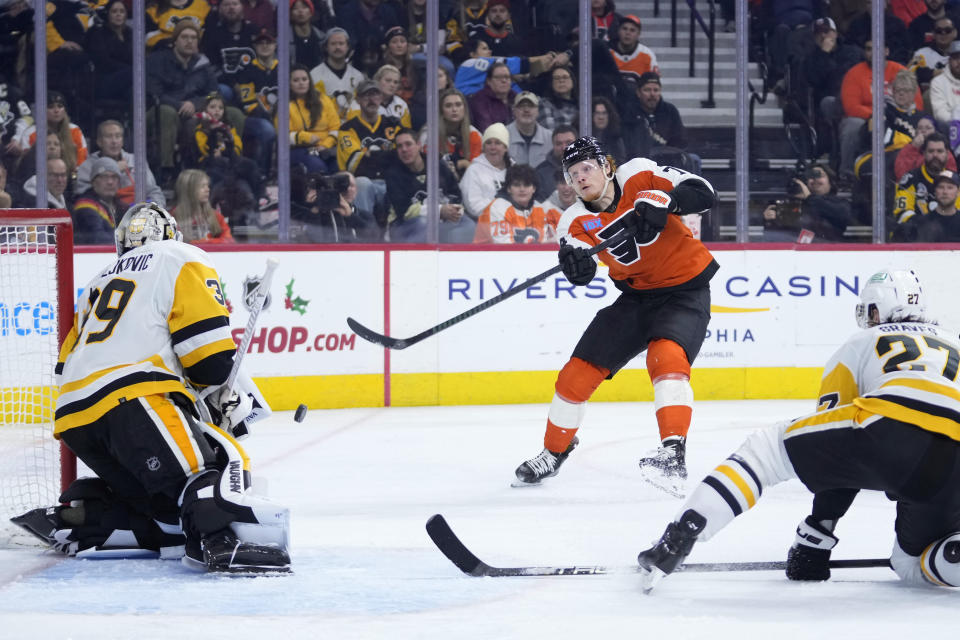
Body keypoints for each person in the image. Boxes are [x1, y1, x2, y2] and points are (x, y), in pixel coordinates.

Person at [637, 269, 960, 592]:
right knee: (911, 562)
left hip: (891, 420)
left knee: (767, 450)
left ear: (876, 309)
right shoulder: (954, 341)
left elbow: (839, 464)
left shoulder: (862, 341)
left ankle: (678, 539)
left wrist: (816, 537)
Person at [11, 202, 289, 573]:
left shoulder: (98, 281)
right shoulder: (180, 256)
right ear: (170, 233)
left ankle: (82, 517)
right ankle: (220, 541)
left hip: (74, 414)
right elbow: (208, 359)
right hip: (134, 397)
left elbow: (65, 368)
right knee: (204, 472)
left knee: (164, 508)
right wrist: (218, 390)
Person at [513, 136, 717, 492]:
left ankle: (672, 452)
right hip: (636, 299)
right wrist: (575, 266)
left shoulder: (639, 174)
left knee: (666, 357)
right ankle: (553, 452)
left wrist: (667, 201)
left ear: (607, 166)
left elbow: (703, 191)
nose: (580, 178)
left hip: (684, 291)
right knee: (574, 376)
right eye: (572, 173)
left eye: (587, 168)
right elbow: (583, 272)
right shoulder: (573, 221)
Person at [146, 21, 219, 181]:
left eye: (193, 37)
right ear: (175, 41)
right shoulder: (157, 61)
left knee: (234, 114)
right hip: (158, 111)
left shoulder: (203, 64)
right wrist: (180, 105)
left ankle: (225, 164)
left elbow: (213, 94)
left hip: (193, 111)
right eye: (184, 37)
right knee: (168, 112)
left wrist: (195, 104)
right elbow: (154, 92)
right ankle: (165, 170)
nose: (189, 41)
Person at [839, 40, 922, 179]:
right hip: (868, 119)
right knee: (853, 124)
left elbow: (917, 103)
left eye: (877, 48)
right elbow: (851, 108)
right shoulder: (854, 73)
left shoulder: (900, 71)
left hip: (899, 115)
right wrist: (879, 115)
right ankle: (846, 172)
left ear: (886, 51)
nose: (873, 53)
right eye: (869, 49)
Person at [383, 128, 474, 242]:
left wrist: (454, 210)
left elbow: (455, 194)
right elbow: (404, 211)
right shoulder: (394, 174)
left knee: (468, 224)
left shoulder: (437, 165)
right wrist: (439, 211)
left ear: (419, 145)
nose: (404, 149)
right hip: (402, 226)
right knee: (424, 223)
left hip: (439, 223)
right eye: (400, 146)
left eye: (408, 144)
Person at [75, 120, 166, 207]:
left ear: (122, 141)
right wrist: (114, 169)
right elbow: (83, 197)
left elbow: (153, 191)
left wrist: (155, 210)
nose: (114, 141)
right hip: (105, 214)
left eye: (118, 136)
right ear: (99, 142)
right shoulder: (87, 166)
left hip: (138, 215)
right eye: (108, 136)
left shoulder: (137, 161)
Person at [622, 72, 698, 172]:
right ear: (638, 93)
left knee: (694, 159)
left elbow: (680, 139)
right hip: (639, 159)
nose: (652, 94)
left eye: (656, 90)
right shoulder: (629, 112)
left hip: (669, 158)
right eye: (647, 90)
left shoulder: (670, 110)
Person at [761, 163, 853, 242]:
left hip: (828, 253)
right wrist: (769, 221)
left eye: (819, 175)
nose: (815, 179)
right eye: (811, 177)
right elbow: (779, 235)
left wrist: (809, 197)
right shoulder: (796, 204)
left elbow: (843, 215)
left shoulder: (841, 203)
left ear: (831, 181)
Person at [233, 28, 280, 177]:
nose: (265, 46)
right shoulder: (248, 69)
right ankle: (260, 174)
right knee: (267, 130)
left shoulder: (284, 67)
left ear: (275, 45)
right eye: (261, 43)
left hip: (282, 115)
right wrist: (270, 117)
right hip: (255, 117)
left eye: (269, 42)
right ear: (255, 46)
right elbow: (249, 105)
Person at [474, 163, 561, 244]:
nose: (522, 189)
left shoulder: (543, 208)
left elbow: (564, 235)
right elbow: (504, 248)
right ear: (508, 189)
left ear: (534, 188)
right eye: (516, 185)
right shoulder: (497, 208)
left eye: (526, 185)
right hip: (487, 257)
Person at [286, 64, 341, 175]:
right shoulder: (284, 104)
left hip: (325, 148)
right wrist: (306, 137)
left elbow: (335, 127)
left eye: (304, 79)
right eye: (296, 80)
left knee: (338, 168)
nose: (301, 83)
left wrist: (325, 145)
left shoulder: (323, 99)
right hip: (299, 149)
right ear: (289, 84)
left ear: (309, 82)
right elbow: (283, 135)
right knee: (319, 168)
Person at [16, 91, 89, 174]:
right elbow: (26, 163)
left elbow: (82, 161)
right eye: (51, 107)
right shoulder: (30, 133)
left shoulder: (74, 130)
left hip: (70, 177)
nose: (56, 110)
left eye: (60, 106)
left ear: (65, 110)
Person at [893, 131, 951, 230]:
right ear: (924, 153)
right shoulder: (909, 179)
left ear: (947, 154)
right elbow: (902, 214)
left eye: (940, 151)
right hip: (916, 238)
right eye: (931, 151)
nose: (935, 155)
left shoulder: (955, 181)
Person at [309, 28, 365, 121]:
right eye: (333, 44)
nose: (337, 47)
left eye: (341, 43)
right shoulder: (314, 75)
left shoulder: (358, 76)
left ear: (348, 47)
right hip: (325, 125)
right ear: (326, 47)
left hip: (353, 127)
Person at [85, 0, 134, 105]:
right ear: (108, 14)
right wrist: (129, 70)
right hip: (104, 81)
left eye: (122, 11)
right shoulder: (98, 33)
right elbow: (103, 62)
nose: (118, 14)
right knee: (137, 73)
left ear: (126, 15)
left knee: (133, 92)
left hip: (128, 80)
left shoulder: (130, 33)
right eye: (114, 11)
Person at [460, 123, 512, 222]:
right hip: (483, 226)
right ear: (483, 147)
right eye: (488, 143)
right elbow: (473, 206)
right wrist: (502, 209)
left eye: (497, 143)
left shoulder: (515, 169)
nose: (493, 147)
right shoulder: (474, 170)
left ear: (505, 147)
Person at [431, 87, 483, 180]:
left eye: (458, 105)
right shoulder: (431, 135)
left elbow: (478, 170)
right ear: (441, 110)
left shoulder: (474, 134)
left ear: (465, 109)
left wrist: (464, 164)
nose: (454, 109)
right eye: (448, 106)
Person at [171, 169, 235, 243]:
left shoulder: (216, 216)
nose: (207, 189)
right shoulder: (172, 218)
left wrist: (206, 242)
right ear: (189, 190)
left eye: (207, 185)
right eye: (202, 186)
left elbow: (228, 240)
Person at [72, 157, 125, 245]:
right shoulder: (85, 205)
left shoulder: (122, 207)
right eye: (104, 177)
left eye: (114, 177)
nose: (110, 182)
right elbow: (98, 238)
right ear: (93, 181)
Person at [609, 14, 659, 88]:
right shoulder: (607, 51)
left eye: (632, 30)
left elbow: (653, 84)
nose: (628, 33)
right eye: (624, 29)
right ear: (618, 31)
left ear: (638, 34)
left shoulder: (647, 54)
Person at [505, 92, 552, 168]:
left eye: (531, 106)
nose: (526, 110)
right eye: (521, 106)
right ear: (513, 111)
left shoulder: (550, 137)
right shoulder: (503, 135)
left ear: (538, 111)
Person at [535, 124, 578, 202]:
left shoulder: (589, 168)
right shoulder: (540, 172)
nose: (564, 147)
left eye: (569, 143)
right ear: (553, 145)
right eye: (559, 144)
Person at [289, 0, 329, 70]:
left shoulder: (322, 38)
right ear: (291, 14)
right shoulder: (283, 41)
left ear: (311, 12)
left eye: (304, 7)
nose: (300, 11)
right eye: (295, 8)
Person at [537, 65, 579, 132]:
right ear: (551, 83)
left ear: (573, 81)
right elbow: (550, 133)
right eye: (557, 78)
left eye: (565, 77)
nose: (561, 80)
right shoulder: (544, 103)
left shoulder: (582, 105)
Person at [591, 96, 626, 165]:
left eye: (604, 113)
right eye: (597, 113)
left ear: (609, 116)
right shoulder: (582, 136)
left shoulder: (616, 139)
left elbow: (620, 162)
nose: (601, 117)